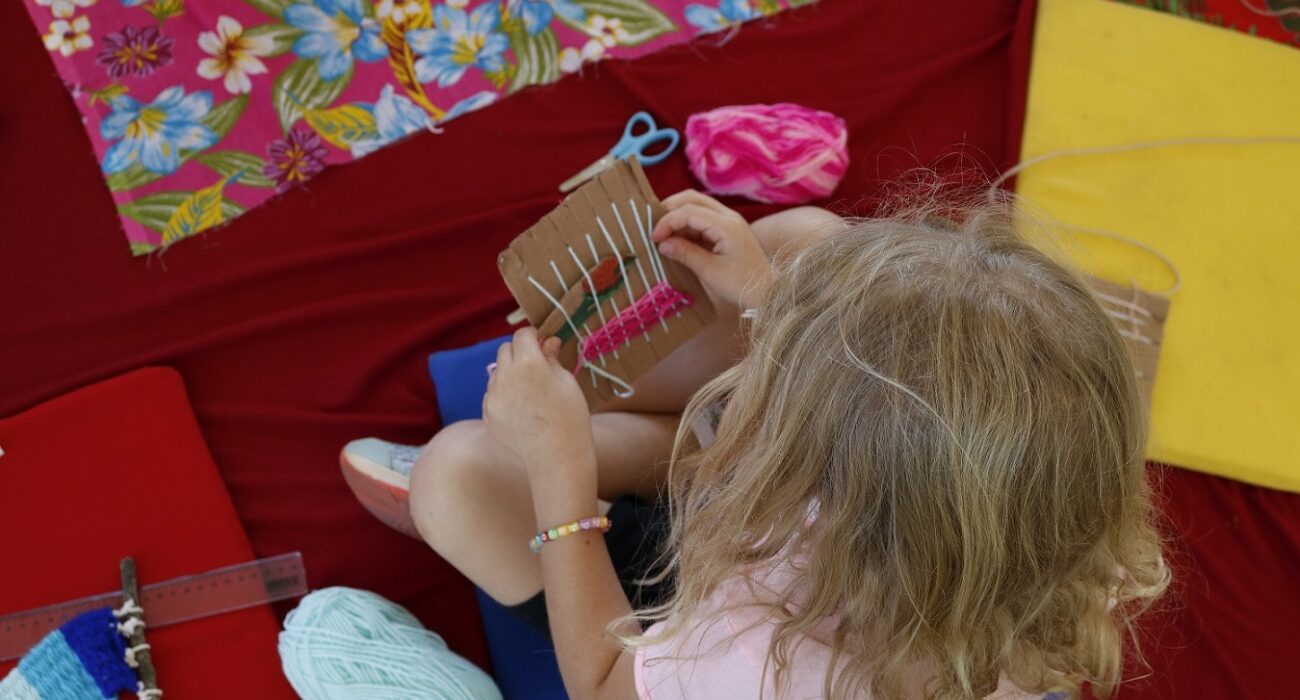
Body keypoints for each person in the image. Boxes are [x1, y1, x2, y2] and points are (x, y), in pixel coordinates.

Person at [341, 191, 1168, 699]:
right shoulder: (1043, 516)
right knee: (809, 239)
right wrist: (771, 300)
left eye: (800, 376)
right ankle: (604, 430)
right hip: (822, 536)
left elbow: (602, 688)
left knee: (455, 479)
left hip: (718, 601)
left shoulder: (764, 660)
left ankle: (566, 440)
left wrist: (560, 472)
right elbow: (895, 416)